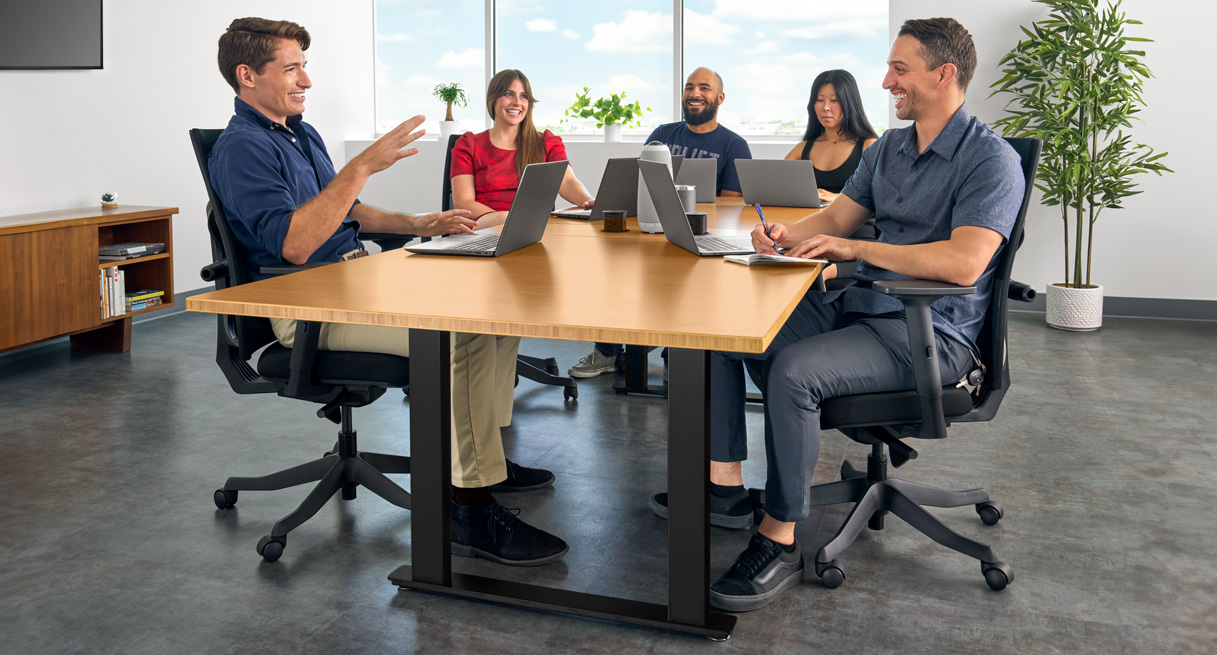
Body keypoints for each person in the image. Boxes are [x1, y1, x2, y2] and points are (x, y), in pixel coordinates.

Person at [650, 17, 1024, 612]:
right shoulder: (895, 148)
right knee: (721, 333)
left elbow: (963, 262)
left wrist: (854, 251)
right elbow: (837, 219)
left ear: (944, 73)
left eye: (899, 70)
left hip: (930, 333)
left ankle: (779, 537)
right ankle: (723, 488)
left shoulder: (990, 159)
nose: (885, 82)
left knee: (796, 372)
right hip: (860, 310)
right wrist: (781, 234)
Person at [207, 17, 568, 567]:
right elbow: (296, 244)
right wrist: (362, 166)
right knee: (462, 337)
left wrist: (422, 222)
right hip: (306, 305)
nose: (306, 79)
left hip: (353, 280)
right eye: (292, 68)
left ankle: (487, 460)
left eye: (305, 65)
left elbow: (348, 213)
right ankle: (469, 511)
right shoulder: (241, 149)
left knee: (496, 314)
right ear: (247, 76)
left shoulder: (297, 132)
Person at [568, 66, 752, 378]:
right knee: (612, 265)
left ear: (719, 97)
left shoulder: (734, 145)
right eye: (689, 87)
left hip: (699, 234)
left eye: (704, 88)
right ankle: (609, 350)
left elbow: (731, 207)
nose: (694, 94)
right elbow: (641, 184)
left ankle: (676, 350)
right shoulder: (662, 135)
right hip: (653, 229)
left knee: (690, 279)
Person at [450, 69, 594, 229]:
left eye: (523, 96)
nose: (517, 102)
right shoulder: (468, 145)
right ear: (493, 99)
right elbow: (464, 202)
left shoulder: (547, 142)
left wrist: (589, 201)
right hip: (482, 226)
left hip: (531, 229)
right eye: (508, 94)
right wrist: (508, 220)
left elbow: (567, 181)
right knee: (507, 220)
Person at [783, 69, 879, 205]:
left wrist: (838, 197)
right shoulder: (803, 149)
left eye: (834, 100)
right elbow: (778, 187)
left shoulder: (868, 146)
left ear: (849, 103)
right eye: (820, 100)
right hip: (808, 220)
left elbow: (881, 195)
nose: (826, 107)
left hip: (853, 224)